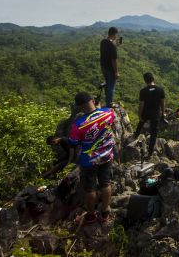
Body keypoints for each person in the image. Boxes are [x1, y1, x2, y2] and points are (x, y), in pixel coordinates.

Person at [68, 92, 116, 224]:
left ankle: (90, 216)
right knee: (105, 184)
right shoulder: (109, 112)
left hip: (89, 161)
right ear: (92, 100)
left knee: (90, 188)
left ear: (79, 107)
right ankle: (104, 212)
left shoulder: (78, 124)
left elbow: (73, 142)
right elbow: (109, 123)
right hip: (106, 155)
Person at [134, 72, 166, 156]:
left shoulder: (143, 91)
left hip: (146, 113)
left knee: (140, 124)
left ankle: (135, 136)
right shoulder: (160, 89)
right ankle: (150, 152)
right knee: (154, 133)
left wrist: (139, 115)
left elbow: (141, 105)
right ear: (153, 78)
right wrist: (163, 113)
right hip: (156, 114)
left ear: (145, 81)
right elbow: (162, 103)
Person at [100, 27, 122, 107]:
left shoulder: (103, 42)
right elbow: (114, 60)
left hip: (103, 67)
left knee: (107, 84)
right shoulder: (112, 45)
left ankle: (107, 101)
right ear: (115, 34)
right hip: (110, 69)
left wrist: (115, 45)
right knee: (111, 86)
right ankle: (109, 103)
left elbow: (109, 47)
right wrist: (116, 72)